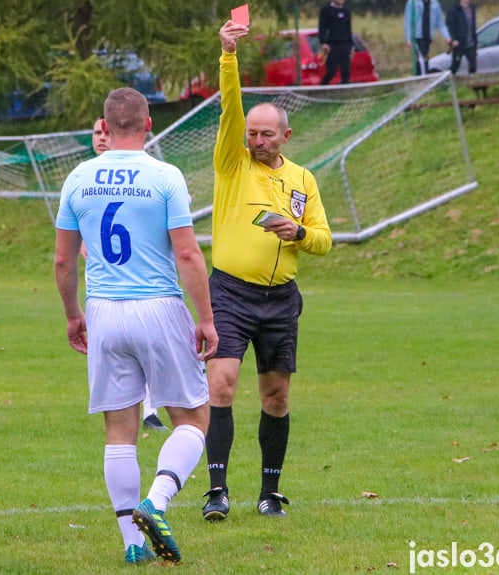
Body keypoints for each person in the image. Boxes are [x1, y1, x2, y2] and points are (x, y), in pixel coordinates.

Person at [54, 87, 217, 564]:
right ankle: (158, 500)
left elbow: (64, 261)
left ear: (103, 128)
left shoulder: (79, 178)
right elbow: (186, 253)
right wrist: (205, 317)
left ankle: (133, 545)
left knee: (119, 429)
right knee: (192, 417)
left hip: (104, 309)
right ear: (148, 125)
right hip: (157, 305)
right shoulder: (165, 176)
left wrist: (72, 315)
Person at [201, 21, 332, 522]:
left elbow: (323, 240)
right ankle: (217, 491)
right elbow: (229, 108)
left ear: (285, 135)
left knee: (276, 395)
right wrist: (228, 57)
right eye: (251, 133)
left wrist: (297, 234)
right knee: (223, 385)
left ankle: (269, 493)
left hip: (281, 298)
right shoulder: (232, 163)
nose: (256, 139)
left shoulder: (303, 180)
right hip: (230, 293)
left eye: (265, 133)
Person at [88, 115, 168, 432]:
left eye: (104, 131)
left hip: (146, 287)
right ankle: (134, 410)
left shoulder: (152, 175)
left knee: (143, 351)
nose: (101, 137)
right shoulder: (85, 179)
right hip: (106, 291)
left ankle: (149, 409)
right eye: (95, 132)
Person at [404, 0, 452, 75]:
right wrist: (408, 38)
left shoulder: (435, 4)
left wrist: (448, 38)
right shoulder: (412, 3)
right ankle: (423, 78)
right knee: (421, 60)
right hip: (416, 37)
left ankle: (421, 78)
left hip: (427, 37)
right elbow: (408, 21)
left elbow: (440, 23)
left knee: (424, 60)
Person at [318, 0, 353, 85]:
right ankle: (321, 89)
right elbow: (322, 28)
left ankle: (344, 92)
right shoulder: (326, 10)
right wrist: (323, 43)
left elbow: (348, 29)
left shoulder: (346, 11)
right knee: (332, 71)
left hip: (345, 44)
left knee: (346, 71)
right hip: (332, 45)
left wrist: (351, 46)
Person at [446, 0, 478, 75]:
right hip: (459, 43)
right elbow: (449, 26)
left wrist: (475, 42)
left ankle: (472, 84)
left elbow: (473, 27)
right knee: (455, 65)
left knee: (473, 66)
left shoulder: (472, 10)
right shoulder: (454, 11)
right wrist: (453, 39)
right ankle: (446, 81)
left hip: (470, 43)